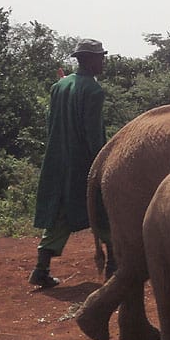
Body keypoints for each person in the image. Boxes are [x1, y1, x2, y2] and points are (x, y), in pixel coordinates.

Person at [30, 38, 111, 288]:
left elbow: (50, 122)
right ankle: (116, 264)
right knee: (103, 208)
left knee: (60, 212)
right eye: (99, 57)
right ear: (87, 59)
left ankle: (41, 268)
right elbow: (92, 134)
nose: (103, 61)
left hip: (57, 159)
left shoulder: (59, 86)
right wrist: (103, 163)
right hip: (81, 163)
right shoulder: (94, 91)